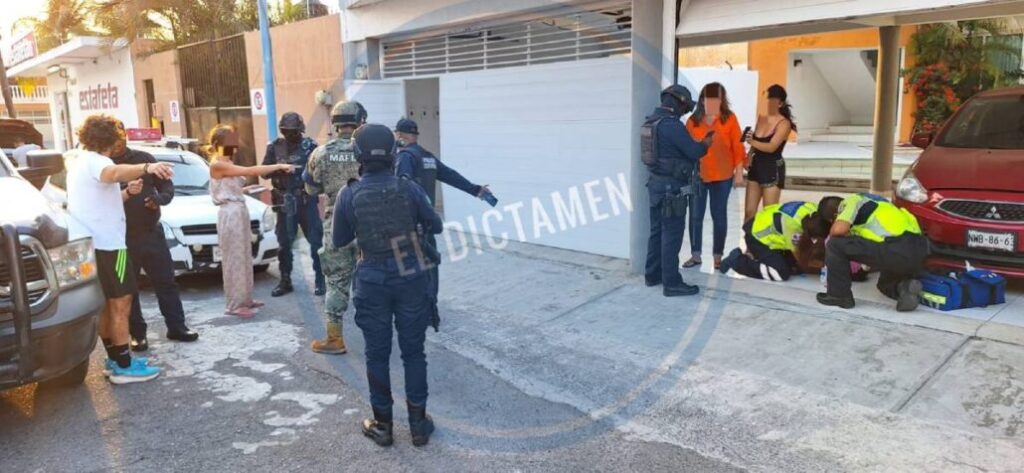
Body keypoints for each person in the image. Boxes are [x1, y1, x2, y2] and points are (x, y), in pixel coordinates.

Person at [333, 124, 442, 448]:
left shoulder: (349, 193)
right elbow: (435, 223)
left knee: (377, 355)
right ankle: (418, 426)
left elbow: (340, 240)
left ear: (357, 156)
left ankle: (383, 426)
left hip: (372, 279)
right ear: (394, 154)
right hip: (411, 276)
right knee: (413, 353)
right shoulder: (408, 188)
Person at [65, 114, 169, 384]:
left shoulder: (79, 162)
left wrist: (128, 193)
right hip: (111, 247)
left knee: (106, 305)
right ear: (112, 139)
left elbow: (101, 198)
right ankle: (124, 366)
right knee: (121, 303)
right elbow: (111, 173)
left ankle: (115, 359)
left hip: (93, 245)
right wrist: (147, 168)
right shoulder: (100, 162)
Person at [394, 116, 495, 329]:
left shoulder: (404, 157)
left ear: (400, 135)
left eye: (397, 135)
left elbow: (403, 187)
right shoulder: (427, 157)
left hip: (411, 222)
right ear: (415, 135)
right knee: (431, 266)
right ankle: (432, 313)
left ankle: (416, 313)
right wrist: (476, 189)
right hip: (429, 220)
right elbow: (450, 175)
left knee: (410, 268)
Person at [108, 120, 197, 351]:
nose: (117, 144)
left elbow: (167, 186)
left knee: (166, 282)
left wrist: (160, 199)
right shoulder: (104, 164)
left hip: (152, 232)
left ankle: (177, 326)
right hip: (122, 237)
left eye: (120, 138)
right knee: (129, 288)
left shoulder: (143, 158)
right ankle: (138, 334)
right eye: (113, 139)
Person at [208, 125, 294, 317]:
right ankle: (234, 304)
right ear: (218, 144)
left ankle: (245, 298)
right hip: (230, 213)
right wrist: (279, 166)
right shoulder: (218, 164)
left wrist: (246, 190)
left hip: (239, 210)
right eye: (230, 144)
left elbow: (229, 187)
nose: (235, 148)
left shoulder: (226, 163)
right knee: (234, 259)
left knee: (244, 256)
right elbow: (251, 169)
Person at [301, 100, 366, 354]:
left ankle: (335, 339)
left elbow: (310, 188)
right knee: (369, 278)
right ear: (360, 120)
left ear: (336, 123)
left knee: (337, 281)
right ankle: (374, 333)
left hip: (335, 223)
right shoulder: (367, 148)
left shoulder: (320, 152)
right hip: (367, 223)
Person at [643, 85, 713, 297]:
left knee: (656, 233)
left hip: (655, 186)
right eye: (685, 107)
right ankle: (672, 283)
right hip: (671, 189)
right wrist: (706, 143)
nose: (685, 111)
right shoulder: (672, 126)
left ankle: (652, 275)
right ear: (678, 102)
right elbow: (694, 152)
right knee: (671, 235)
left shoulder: (650, 122)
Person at [815, 194, 929, 311]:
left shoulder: (852, 200)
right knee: (884, 285)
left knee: (835, 244)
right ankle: (903, 287)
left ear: (835, 215)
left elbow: (838, 230)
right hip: (919, 253)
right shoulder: (881, 203)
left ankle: (839, 295)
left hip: (896, 249)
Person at [683, 83, 746, 270]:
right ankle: (695, 255)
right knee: (696, 216)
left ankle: (718, 256)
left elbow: (737, 146)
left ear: (721, 100)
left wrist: (739, 172)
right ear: (702, 100)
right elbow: (686, 149)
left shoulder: (730, 119)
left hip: (723, 176)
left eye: (715, 99)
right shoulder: (692, 122)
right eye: (707, 99)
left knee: (719, 216)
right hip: (699, 177)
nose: (711, 103)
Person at [262, 112, 325, 297]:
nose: (291, 135)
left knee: (316, 242)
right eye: (287, 131)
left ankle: (320, 279)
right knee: (284, 244)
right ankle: (285, 280)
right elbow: (264, 172)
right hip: (284, 201)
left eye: (294, 131)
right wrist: (279, 168)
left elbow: (320, 172)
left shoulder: (310, 146)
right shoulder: (274, 147)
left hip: (305, 200)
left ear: (300, 130)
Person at [718, 201, 817, 281]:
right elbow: (799, 256)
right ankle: (738, 261)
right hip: (757, 238)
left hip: (767, 228)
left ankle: (765, 259)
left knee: (794, 267)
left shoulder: (814, 209)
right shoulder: (793, 227)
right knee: (781, 273)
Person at [744, 84, 795, 222]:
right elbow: (755, 141)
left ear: (781, 103)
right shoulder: (762, 118)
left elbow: (772, 147)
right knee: (749, 212)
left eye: (773, 100)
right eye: (768, 99)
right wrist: (749, 155)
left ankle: (768, 242)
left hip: (772, 167)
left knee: (769, 213)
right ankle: (749, 241)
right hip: (757, 165)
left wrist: (752, 142)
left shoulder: (784, 123)